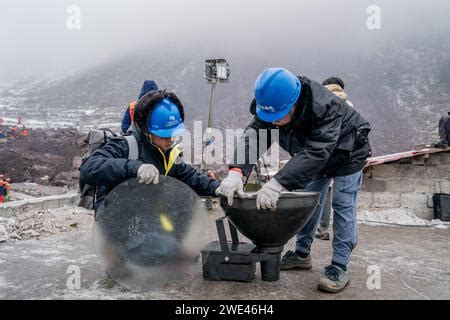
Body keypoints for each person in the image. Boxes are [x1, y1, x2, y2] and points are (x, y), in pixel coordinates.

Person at [216, 68, 371, 293]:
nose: (275, 122)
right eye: (271, 118)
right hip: (314, 154)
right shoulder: (271, 104)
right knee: (307, 201)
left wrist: (279, 183)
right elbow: (254, 137)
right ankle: (301, 254)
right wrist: (236, 172)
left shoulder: (326, 107)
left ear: (295, 102)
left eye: (279, 117)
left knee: (342, 203)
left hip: (348, 152)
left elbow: (317, 152)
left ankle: (338, 265)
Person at [80, 89, 220, 212]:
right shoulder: (126, 145)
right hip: (117, 224)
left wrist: (217, 187)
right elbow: (89, 167)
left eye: (173, 133)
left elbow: (191, 177)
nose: (170, 139)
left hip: (149, 222)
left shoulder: (169, 153)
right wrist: (135, 167)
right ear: (147, 130)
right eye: (164, 135)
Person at [315, 77, 355, 241]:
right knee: (345, 206)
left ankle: (320, 230)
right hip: (348, 160)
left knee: (318, 198)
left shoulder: (321, 104)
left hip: (325, 158)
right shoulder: (350, 106)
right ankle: (340, 258)